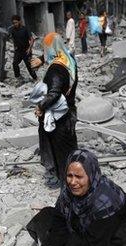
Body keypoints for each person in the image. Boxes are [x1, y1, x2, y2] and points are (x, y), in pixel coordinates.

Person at [29, 33, 78, 184]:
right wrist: (42, 60)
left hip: (58, 119)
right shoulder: (69, 60)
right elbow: (54, 55)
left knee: (60, 153)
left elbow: (54, 93)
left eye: (45, 49)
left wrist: (40, 106)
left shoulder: (55, 69)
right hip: (69, 112)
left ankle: (64, 183)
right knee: (69, 150)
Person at [8, 15, 37, 82]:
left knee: (29, 66)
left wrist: (29, 49)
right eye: (13, 23)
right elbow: (9, 37)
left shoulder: (25, 29)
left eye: (16, 22)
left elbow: (32, 39)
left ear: (20, 21)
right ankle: (18, 78)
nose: (15, 24)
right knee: (15, 64)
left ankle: (35, 78)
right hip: (18, 51)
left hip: (26, 50)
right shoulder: (12, 30)